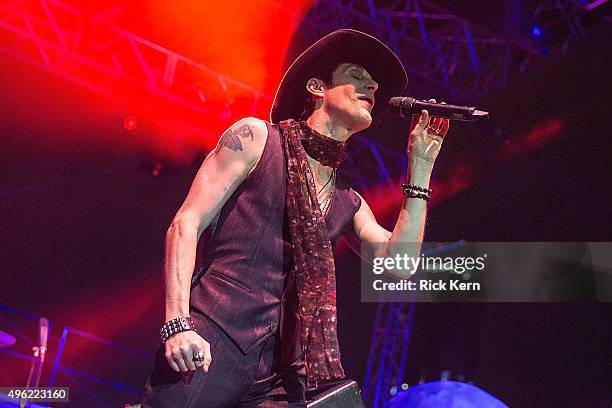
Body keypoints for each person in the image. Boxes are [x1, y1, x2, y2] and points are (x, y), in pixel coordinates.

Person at [141, 29, 449, 407]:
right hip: (210, 341)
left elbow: (399, 265)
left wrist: (420, 168)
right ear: (317, 87)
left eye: (373, 83)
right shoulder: (256, 139)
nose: (371, 84)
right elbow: (185, 225)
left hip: (281, 375)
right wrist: (178, 324)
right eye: (356, 74)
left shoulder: (346, 201)